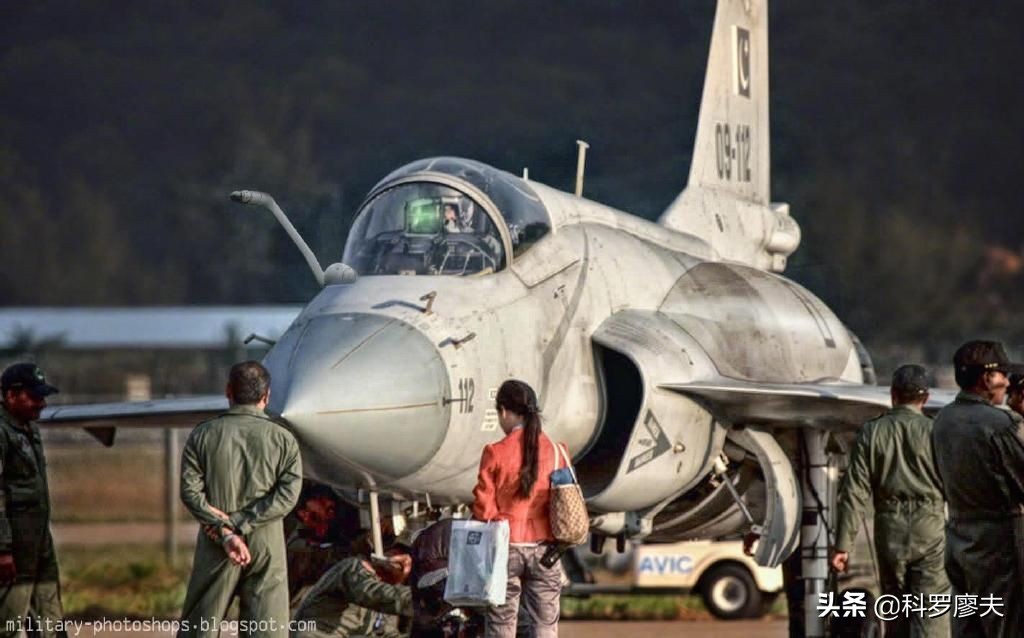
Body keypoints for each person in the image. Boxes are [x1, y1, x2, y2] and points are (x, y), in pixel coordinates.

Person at [178, 361, 302, 638]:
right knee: (267, 630)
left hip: (217, 541)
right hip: (266, 543)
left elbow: (190, 493)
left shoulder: (203, 435)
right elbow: (288, 495)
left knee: (200, 628)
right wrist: (242, 523)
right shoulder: (284, 440)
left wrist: (225, 529)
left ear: (228, 391)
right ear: (266, 396)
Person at [831, 364, 949, 638]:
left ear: (893, 395)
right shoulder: (936, 432)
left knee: (895, 613)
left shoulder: (871, 432)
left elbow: (854, 491)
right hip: (930, 528)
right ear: (926, 398)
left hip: (889, 529)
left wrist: (842, 546)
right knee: (931, 614)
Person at [932, 340, 1024, 638]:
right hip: (997, 545)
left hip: (958, 539)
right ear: (987, 378)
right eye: (1003, 375)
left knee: (968, 627)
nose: (1007, 383)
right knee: (1005, 626)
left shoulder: (942, 420)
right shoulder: (999, 425)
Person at [471, 379, 562, 638]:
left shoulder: (495, 452)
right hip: (546, 551)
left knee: (502, 623)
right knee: (545, 625)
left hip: (505, 549)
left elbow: (483, 509)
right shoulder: (556, 451)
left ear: (503, 411)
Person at [0, 363, 64, 638]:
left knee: (51, 619)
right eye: (34, 396)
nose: (42, 403)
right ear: (11, 395)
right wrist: (3, 549)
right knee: (11, 623)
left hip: (38, 542)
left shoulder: (27, 429)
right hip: (14, 547)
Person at [291, 546, 413, 638]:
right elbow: (371, 593)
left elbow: (384, 632)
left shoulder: (389, 597)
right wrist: (424, 598)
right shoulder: (353, 567)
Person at [286, 483, 361, 610]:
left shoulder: (334, 532)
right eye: (322, 503)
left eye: (331, 507)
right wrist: (364, 543)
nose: (330, 512)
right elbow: (324, 560)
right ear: (303, 513)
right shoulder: (297, 545)